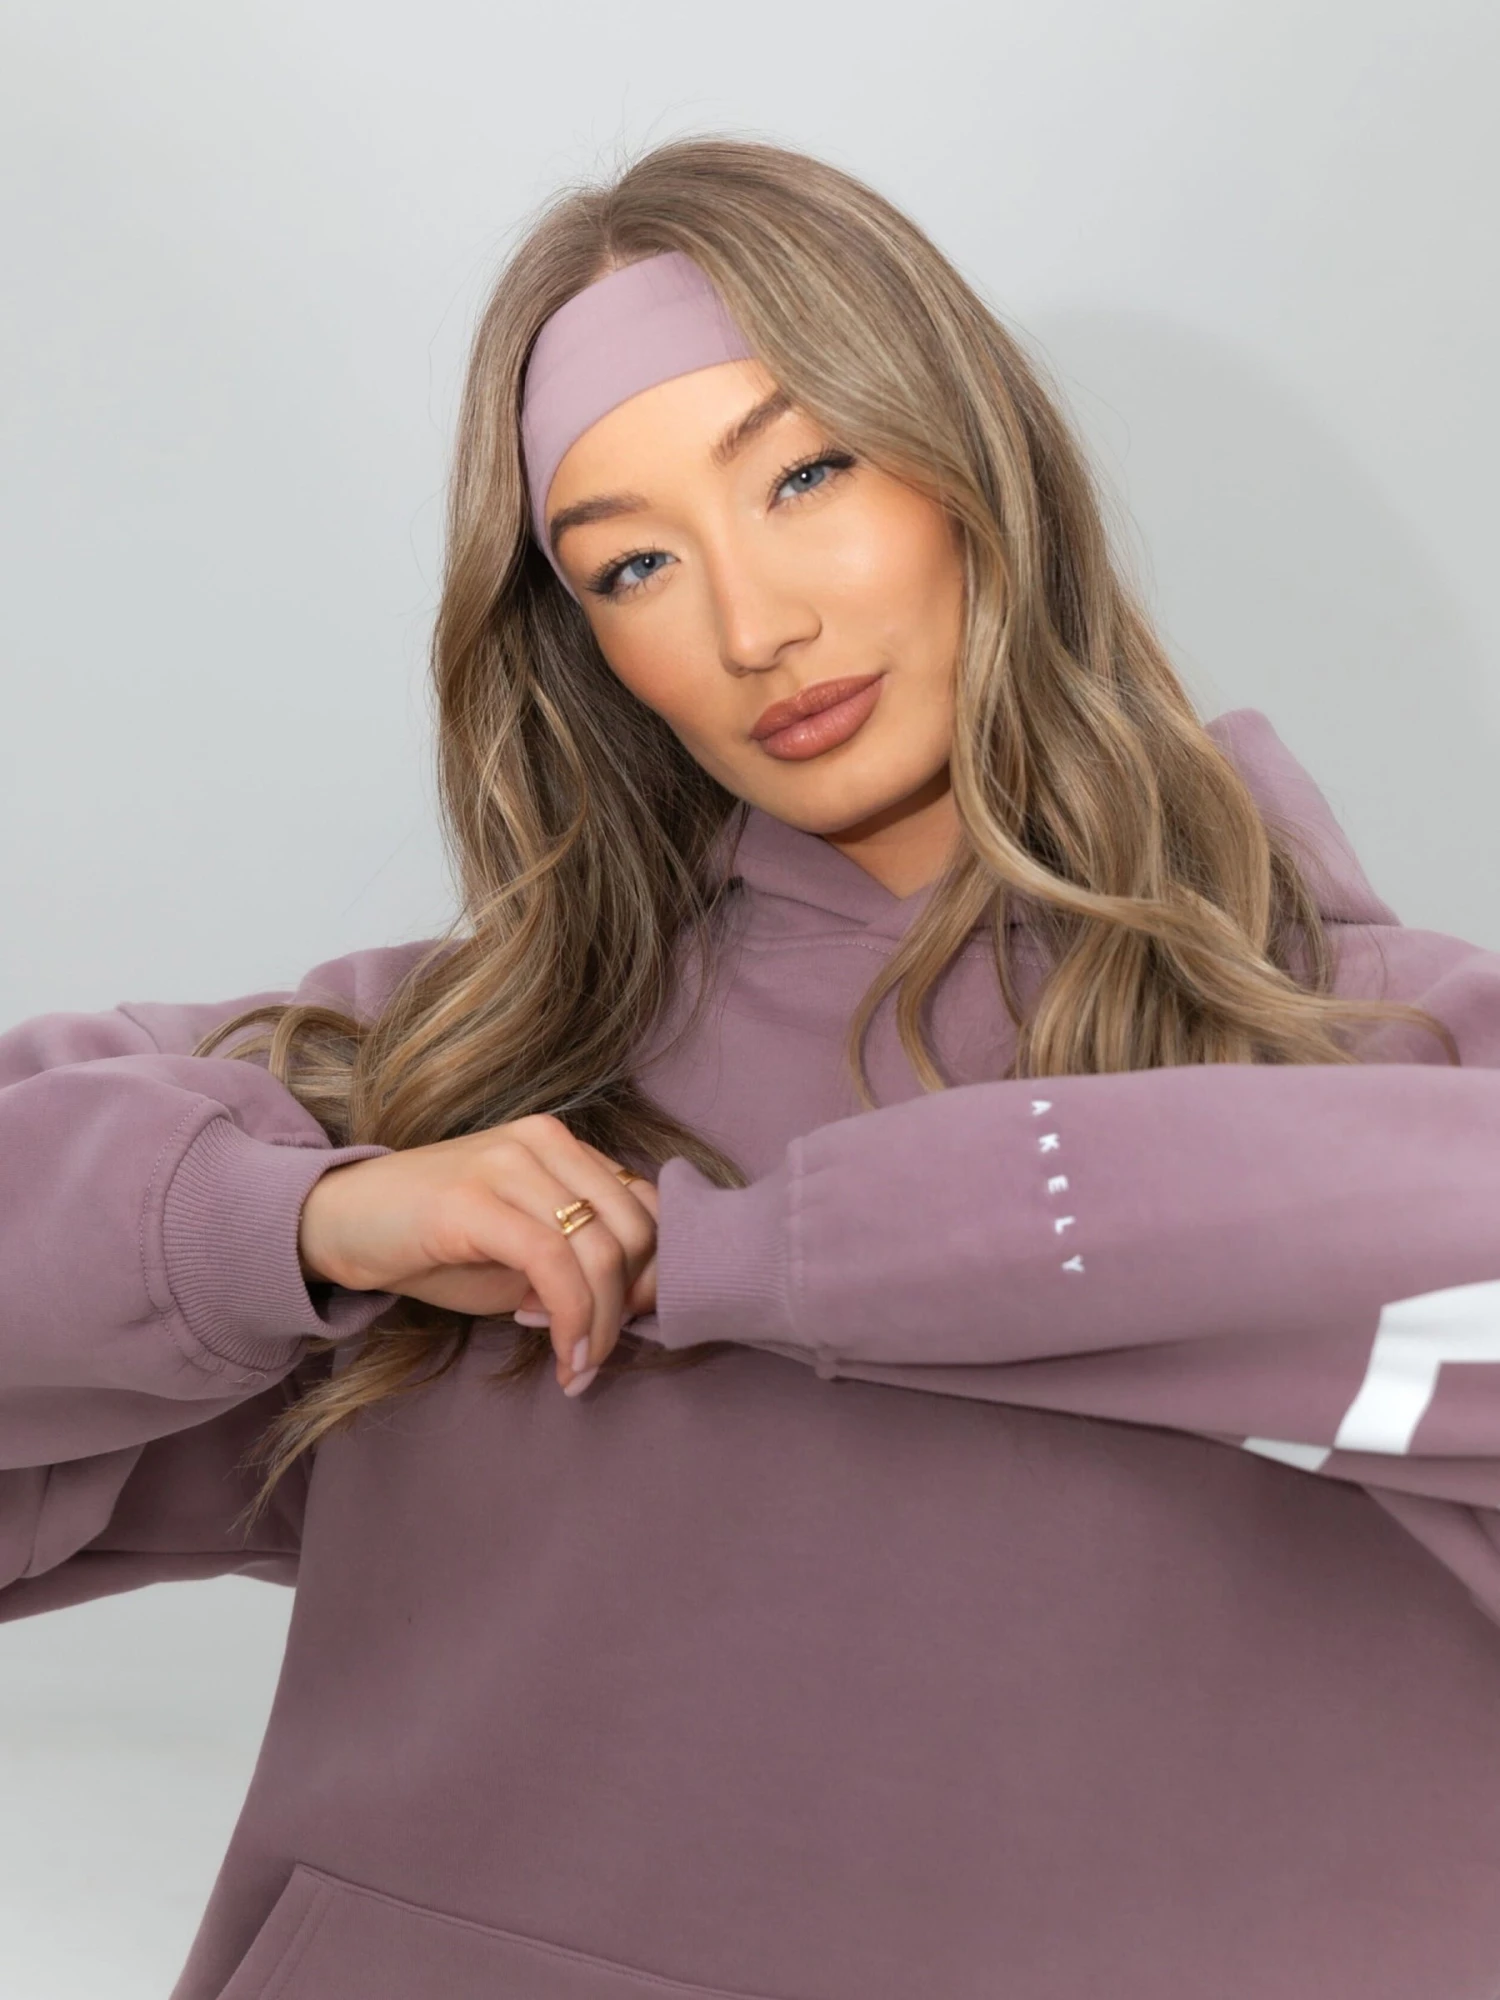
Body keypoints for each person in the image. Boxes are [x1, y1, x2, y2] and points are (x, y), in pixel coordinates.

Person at [5, 133, 1500, 2000]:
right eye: (633, 564)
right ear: (581, 647)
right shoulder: (466, 1093)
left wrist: (766, 1255)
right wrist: (286, 1228)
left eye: (807, 472)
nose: (752, 625)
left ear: (977, 466)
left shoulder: (1391, 1073)